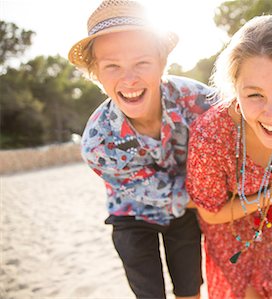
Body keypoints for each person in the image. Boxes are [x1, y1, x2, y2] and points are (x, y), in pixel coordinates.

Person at [67, 1, 211, 298]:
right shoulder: (98, 143)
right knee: (148, 293)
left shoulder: (199, 100)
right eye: (112, 66)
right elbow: (169, 195)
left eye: (142, 62)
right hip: (130, 215)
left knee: (190, 289)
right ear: (95, 73)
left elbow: (247, 127)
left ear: (162, 63)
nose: (129, 78)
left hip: (185, 209)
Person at [186, 15, 272, 299]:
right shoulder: (211, 137)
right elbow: (210, 212)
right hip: (230, 234)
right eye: (255, 95)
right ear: (235, 87)